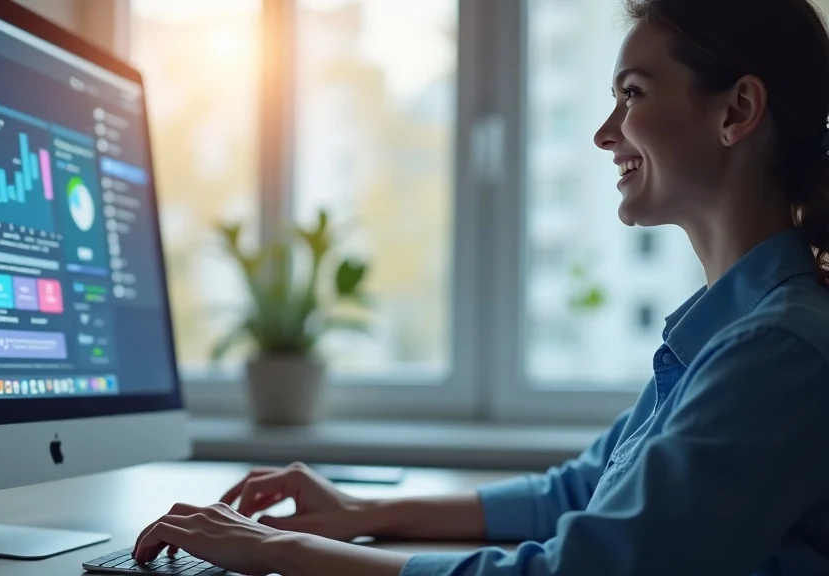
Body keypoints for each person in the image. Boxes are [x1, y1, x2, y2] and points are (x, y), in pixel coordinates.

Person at [132, 0, 829, 573]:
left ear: (737, 111)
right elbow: (582, 491)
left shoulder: (775, 348)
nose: (603, 132)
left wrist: (278, 549)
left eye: (632, 94)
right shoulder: (729, 333)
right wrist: (361, 512)